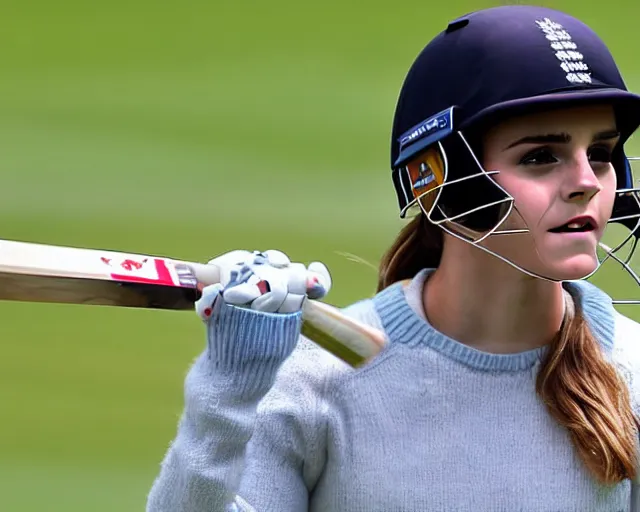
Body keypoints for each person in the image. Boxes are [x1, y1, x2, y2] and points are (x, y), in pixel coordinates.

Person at [146, 5, 640, 511]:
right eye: (540, 157)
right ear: (439, 182)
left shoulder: (633, 372)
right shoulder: (317, 382)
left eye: (600, 153)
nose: (586, 182)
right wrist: (229, 391)